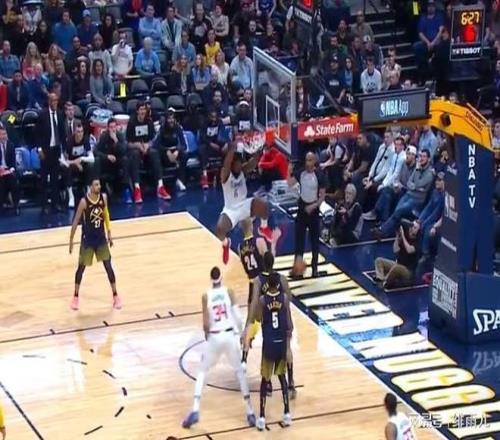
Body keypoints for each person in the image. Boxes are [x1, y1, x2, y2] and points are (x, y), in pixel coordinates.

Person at [182, 266, 256, 429]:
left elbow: (205, 323)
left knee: (202, 371)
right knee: (240, 372)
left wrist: (208, 338)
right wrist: (241, 334)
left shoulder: (206, 296)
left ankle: (195, 409)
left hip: (215, 336)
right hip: (229, 336)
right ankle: (250, 411)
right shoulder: (228, 292)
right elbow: (238, 317)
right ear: (221, 278)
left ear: (211, 279)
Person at [244, 260, 293, 431]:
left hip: (269, 343)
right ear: (278, 284)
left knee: (265, 381)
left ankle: (262, 417)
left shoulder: (263, 300)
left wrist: (250, 326)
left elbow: (257, 317)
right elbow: (288, 322)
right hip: (281, 342)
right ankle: (287, 413)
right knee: (282, 378)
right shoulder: (284, 299)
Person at [216, 141, 274, 265]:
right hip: (231, 210)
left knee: (263, 204)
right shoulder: (225, 174)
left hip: (244, 205)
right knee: (220, 229)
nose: (239, 165)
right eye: (237, 163)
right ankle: (226, 244)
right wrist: (232, 150)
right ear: (232, 163)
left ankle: (264, 228)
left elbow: (253, 163)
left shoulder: (243, 170)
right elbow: (226, 164)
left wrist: (260, 151)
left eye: (240, 162)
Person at [69, 178, 122, 311]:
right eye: (96, 185)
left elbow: (106, 215)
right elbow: (75, 221)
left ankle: (115, 295)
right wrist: (71, 241)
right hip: (88, 240)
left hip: (101, 239)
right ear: (90, 187)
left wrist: (109, 233)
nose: (99, 187)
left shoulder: (103, 198)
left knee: (108, 266)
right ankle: (75, 297)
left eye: (99, 184)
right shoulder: (84, 202)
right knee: (81, 268)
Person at [287, 152, 326, 277]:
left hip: (313, 211)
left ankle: (315, 268)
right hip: (302, 209)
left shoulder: (320, 175)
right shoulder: (301, 173)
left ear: (314, 161)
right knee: (299, 240)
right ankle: (297, 269)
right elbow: (290, 183)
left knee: (314, 241)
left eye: (310, 160)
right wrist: (289, 171)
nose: (308, 163)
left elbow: (322, 197)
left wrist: (313, 206)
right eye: (306, 160)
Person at [126, 101, 166, 203]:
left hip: (146, 148)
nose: (143, 111)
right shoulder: (131, 122)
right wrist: (137, 145)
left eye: (144, 109)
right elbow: (128, 143)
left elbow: (153, 140)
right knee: (134, 154)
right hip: (135, 149)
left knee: (154, 153)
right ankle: (137, 189)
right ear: (137, 111)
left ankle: (160, 186)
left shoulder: (149, 121)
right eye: (141, 109)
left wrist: (148, 145)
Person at [37, 93, 68, 214]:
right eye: (53, 100)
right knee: (44, 180)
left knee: (55, 179)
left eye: (56, 100)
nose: (55, 102)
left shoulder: (60, 114)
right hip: (46, 151)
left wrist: (64, 150)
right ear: (49, 101)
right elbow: (37, 134)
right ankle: (44, 205)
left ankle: (55, 203)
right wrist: (39, 149)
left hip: (56, 150)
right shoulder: (42, 115)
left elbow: (62, 133)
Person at [94, 118, 132, 204]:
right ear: (108, 128)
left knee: (125, 160)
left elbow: (124, 150)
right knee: (97, 160)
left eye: (114, 127)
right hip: (107, 163)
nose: (113, 129)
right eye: (111, 127)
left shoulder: (120, 135)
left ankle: (126, 190)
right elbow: (96, 151)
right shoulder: (104, 136)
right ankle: (97, 191)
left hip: (118, 162)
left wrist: (116, 141)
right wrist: (107, 156)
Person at [151, 109, 187, 197]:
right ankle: (160, 185)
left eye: (172, 118)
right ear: (166, 120)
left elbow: (184, 144)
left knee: (184, 154)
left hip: (175, 151)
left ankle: (179, 179)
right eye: (169, 118)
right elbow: (156, 145)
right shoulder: (162, 129)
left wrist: (177, 150)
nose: (171, 120)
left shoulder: (178, 128)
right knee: (155, 154)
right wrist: (166, 151)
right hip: (164, 153)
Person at [375, 222, 420, 289]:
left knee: (397, 268)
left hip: (408, 272)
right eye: (412, 226)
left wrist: (403, 236)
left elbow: (409, 250)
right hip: (398, 264)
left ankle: (385, 281)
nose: (411, 228)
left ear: (418, 231)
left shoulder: (418, 241)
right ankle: (380, 278)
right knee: (379, 260)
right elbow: (395, 250)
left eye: (415, 227)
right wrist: (397, 236)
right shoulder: (405, 237)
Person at [63, 122, 95, 206]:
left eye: (81, 132)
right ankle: (71, 196)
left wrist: (81, 159)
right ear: (74, 132)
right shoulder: (70, 141)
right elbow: (65, 161)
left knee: (90, 165)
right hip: (71, 164)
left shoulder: (85, 140)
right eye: (78, 132)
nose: (80, 134)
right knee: (67, 168)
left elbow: (92, 158)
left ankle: (88, 192)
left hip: (82, 163)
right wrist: (75, 162)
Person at [0, 123, 20, 216]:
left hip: (9, 171)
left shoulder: (11, 145)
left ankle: (16, 205)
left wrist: (10, 170)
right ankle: (2, 206)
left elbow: (13, 162)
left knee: (13, 182)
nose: (4, 136)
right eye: (2, 134)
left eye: (5, 134)